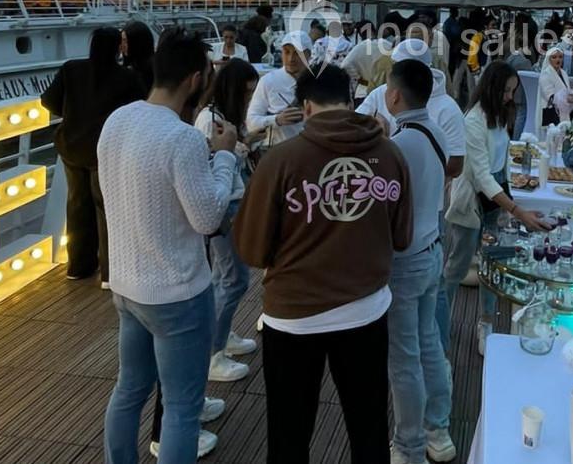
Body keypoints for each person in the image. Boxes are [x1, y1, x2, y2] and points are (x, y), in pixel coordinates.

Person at [234, 64, 412, 464]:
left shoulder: (280, 161)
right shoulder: (390, 154)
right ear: (351, 103)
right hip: (366, 311)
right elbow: (401, 238)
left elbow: (252, 250)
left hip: (293, 318)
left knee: (289, 435)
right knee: (368, 430)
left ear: (307, 108)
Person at [98, 30, 239, 464]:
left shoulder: (117, 120)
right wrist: (225, 157)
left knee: (129, 389)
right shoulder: (182, 139)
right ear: (195, 79)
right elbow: (208, 218)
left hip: (127, 283)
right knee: (181, 408)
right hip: (176, 292)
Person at [443, 62, 551, 351]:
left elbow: (499, 168)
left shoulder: (499, 115)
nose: (509, 97)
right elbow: (481, 177)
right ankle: (440, 325)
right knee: (456, 266)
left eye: (512, 92)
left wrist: (513, 204)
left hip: (495, 196)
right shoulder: (473, 121)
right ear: (491, 88)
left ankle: (486, 323)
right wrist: (518, 211)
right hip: (473, 202)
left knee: (492, 266)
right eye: (506, 91)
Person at [383, 60, 456, 464]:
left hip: (405, 262)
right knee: (429, 344)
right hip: (432, 250)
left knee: (404, 358)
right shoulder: (437, 133)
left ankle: (409, 446)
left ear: (394, 95)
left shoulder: (399, 144)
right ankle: (438, 430)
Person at [41, 27, 144, 286]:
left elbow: (49, 102)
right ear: (115, 47)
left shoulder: (71, 69)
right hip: (105, 151)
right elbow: (139, 110)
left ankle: (78, 266)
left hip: (72, 146)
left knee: (77, 205)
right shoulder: (126, 77)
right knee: (106, 209)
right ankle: (110, 274)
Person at [194, 60, 260, 382]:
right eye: (246, 94)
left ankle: (221, 335)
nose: (249, 100)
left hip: (230, 202)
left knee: (224, 276)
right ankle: (213, 353)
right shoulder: (212, 121)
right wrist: (235, 152)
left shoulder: (215, 117)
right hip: (224, 206)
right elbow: (208, 167)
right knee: (235, 278)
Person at [355, 39, 465, 181]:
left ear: (395, 97)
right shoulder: (381, 92)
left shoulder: (447, 110)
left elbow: (456, 166)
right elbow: (354, 124)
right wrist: (370, 123)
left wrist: (383, 144)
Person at [246, 31, 311, 150]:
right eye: (287, 52)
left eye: (297, 53)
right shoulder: (268, 81)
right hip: (278, 151)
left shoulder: (318, 82)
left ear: (308, 55)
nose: (291, 58)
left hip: (311, 150)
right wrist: (276, 120)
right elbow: (251, 122)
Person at [538, 44, 573, 127]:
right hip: (551, 113)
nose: (558, 60)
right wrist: (566, 98)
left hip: (563, 113)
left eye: (560, 57)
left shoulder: (564, 73)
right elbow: (549, 96)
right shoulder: (546, 74)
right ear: (549, 59)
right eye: (554, 57)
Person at [122, 20, 156, 93]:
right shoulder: (130, 69)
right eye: (122, 41)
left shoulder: (153, 70)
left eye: (125, 41)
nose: (122, 45)